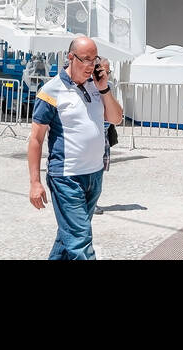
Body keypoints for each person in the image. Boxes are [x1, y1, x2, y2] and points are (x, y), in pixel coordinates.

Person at [27, 35, 124, 260]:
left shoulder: (96, 86)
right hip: (67, 177)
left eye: (95, 59)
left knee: (67, 237)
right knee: (80, 240)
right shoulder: (51, 91)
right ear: (71, 58)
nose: (92, 66)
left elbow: (116, 118)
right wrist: (35, 183)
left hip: (94, 175)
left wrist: (104, 89)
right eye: (86, 59)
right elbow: (36, 139)